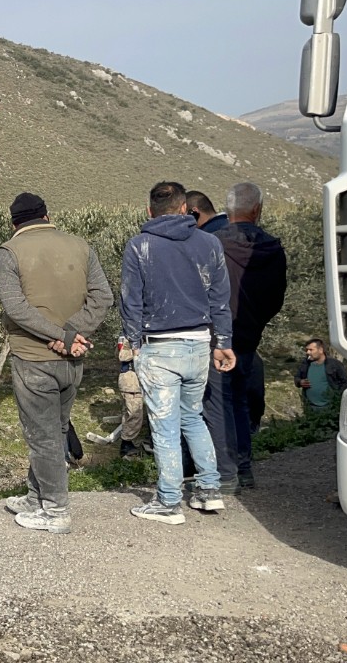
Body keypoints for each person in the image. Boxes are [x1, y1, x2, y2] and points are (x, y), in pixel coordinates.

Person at [0, 192, 112, 534]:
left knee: (41, 436)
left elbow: (16, 309)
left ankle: (56, 510)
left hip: (34, 358)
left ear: (15, 222)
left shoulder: (9, 252)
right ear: (46, 215)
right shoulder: (80, 245)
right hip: (72, 361)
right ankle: (36, 496)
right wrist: (73, 335)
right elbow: (103, 297)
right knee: (55, 429)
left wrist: (58, 337)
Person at [121, 181, 235, 524]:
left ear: (149, 210)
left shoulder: (139, 245)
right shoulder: (210, 243)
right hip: (200, 345)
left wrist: (134, 346)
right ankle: (209, 491)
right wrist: (223, 344)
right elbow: (220, 301)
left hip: (160, 347)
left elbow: (131, 302)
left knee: (165, 426)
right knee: (193, 417)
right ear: (186, 209)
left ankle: (168, 502)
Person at [215, 182, 287, 491]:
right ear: (257, 210)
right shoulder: (271, 247)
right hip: (249, 337)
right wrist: (255, 321)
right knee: (240, 403)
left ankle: (226, 471)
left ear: (228, 210)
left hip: (217, 339)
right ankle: (243, 467)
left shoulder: (213, 244)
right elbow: (276, 298)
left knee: (219, 404)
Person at [296, 338, 347, 411]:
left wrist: (336, 397)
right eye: (307, 350)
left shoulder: (335, 364)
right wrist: (300, 382)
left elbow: (346, 383)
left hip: (330, 407)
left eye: (311, 350)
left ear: (321, 350)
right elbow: (297, 378)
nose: (308, 352)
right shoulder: (305, 364)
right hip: (310, 407)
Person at [117, 338, 148, 458]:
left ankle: (127, 442)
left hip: (132, 380)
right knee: (134, 414)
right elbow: (122, 355)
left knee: (129, 413)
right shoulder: (130, 336)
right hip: (131, 381)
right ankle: (126, 444)